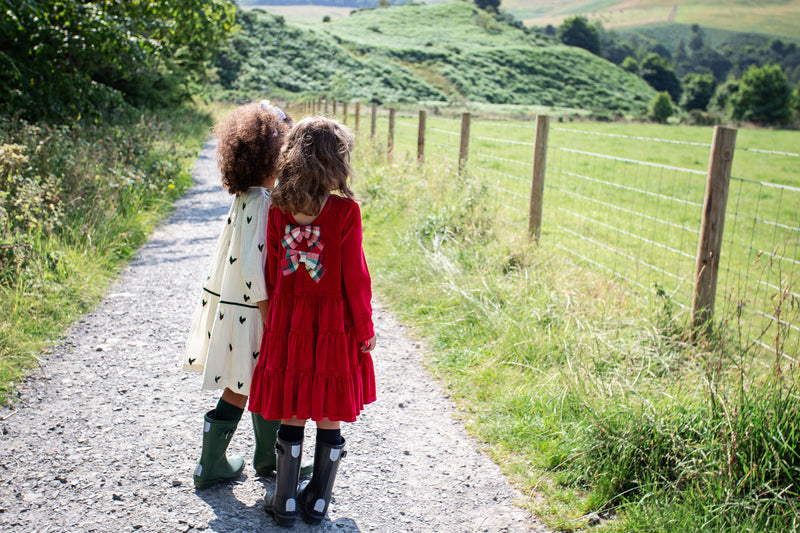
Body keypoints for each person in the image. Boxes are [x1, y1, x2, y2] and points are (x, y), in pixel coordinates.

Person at [248, 116, 377, 526]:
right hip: (333, 323)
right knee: (329, 406)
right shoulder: (345, 212)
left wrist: (274, 317)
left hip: (290, 319)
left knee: (292, 403)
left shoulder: (278, 209)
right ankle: (320, 499)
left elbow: (270, 270)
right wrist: (365, 328)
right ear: (335, 161)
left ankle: (285, 499)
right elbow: (355, 277)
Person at [183, 101, 310, 489]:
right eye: (286, 150)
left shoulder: (246, 197)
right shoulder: (264, 203)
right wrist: (272, 317)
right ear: (271, 157)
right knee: (248, 383)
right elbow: (255, 271)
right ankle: (223, 460)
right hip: (255, 310)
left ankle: (243, 458)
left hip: (237, 306)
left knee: (246, 381)